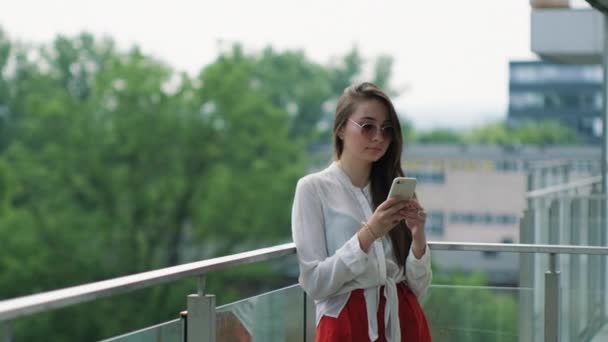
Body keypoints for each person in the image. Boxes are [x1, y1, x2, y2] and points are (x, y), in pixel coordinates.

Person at [291, 82, 432, 342]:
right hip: (346, 324)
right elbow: (315, 283)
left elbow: (418, 288)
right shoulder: (313, 189)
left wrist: (418, 238)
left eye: (386, 130)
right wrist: (369, 234)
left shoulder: (391, 187)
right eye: (367, 127)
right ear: (341, 128)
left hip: (404, 321)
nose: (378, 137)